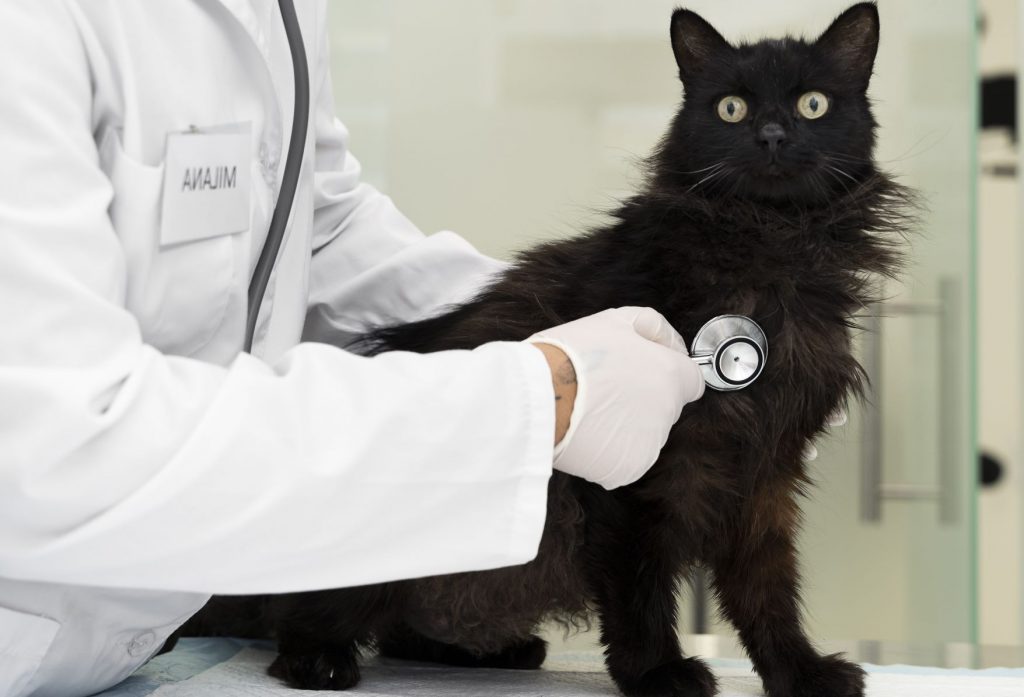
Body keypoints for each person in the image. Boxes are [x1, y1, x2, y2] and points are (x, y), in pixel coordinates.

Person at [0, 3, 706, 696]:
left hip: (132, 633)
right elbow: (54, 439)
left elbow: (312, 218)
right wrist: (537, 394)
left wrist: (562, 317)